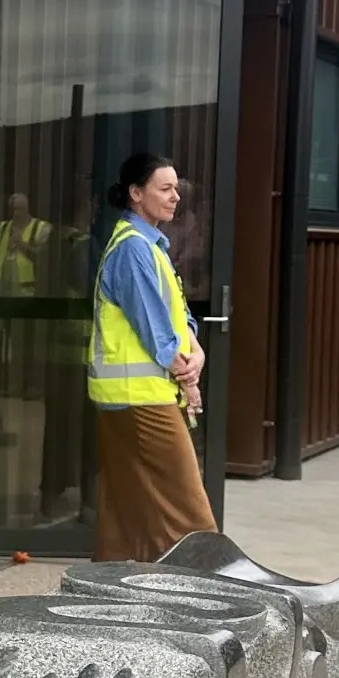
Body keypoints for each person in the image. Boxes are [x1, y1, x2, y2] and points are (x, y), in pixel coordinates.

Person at [88, 153, 218, 562]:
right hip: (142, 398)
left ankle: (111, 588)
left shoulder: (148, 246)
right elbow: (157, 334)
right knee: (188, 509)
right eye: (165, 188)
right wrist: (189, 376)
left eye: (176, 187)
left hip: (132, 396)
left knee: (126, 505)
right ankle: (207, 589)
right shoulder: (134, 250)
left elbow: (176, 318)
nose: (176, 196)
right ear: (136, 194)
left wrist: (194, 348)